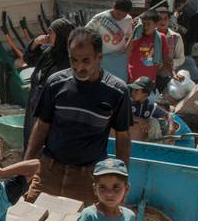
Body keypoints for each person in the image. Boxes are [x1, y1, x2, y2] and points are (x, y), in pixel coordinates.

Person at [24, 27, 133, 205]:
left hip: (87, 181)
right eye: (73, 60)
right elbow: (41, 127)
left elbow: (123, 139)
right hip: (48, 174)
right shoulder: (55, 83)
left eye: (85, 60)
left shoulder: (117, 92)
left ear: (99, 57)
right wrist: (26, 168)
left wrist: (121, 180)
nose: (79, 67)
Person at [23, 18, 75, 142]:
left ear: (61, 36)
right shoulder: (49, 52)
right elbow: (29, 59)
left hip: (52, 109)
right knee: (31, 139)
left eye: (51, 32)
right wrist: (35, 42)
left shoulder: (69, 59)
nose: (48, 35)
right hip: (35, 103)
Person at [87, 0, 134, 81]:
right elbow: (86, 33)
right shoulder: (100, 18)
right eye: (118, 14)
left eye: (124, 15)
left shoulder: (128, 20)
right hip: (102, 58)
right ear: (113, 7)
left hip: (119, 60)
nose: (120, 17)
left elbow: (128, 37)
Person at [127, 9, 167, 85]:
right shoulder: (138, 35)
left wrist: (173, 74)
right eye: (143, 24)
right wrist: (134, 31)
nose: (145, 27)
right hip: (133, 78)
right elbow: (127, 51)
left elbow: (166, 59)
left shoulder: (161, 38)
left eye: (148, 24)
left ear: (156, 24)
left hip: (149, 80)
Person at [128, 77, 173, 142]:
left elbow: (168, 115)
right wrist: (139, 119)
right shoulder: (127, 101)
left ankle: (157, 146)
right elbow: (118, 115)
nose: (132, 92)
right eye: (132, 89)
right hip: (123, 138)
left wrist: (171, 129)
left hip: (140, 139)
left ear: (145, 93)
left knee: (154, 121)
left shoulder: (150, 106)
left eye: (136, 90)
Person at [157, 7, 186, 93]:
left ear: (169, 20)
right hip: (151, 76)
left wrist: (171, 63)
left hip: (168, 77)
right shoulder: (150, 35)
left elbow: (181, 58)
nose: (162, 22)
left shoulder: (176, 37)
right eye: (159, 19)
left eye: (165, 19)